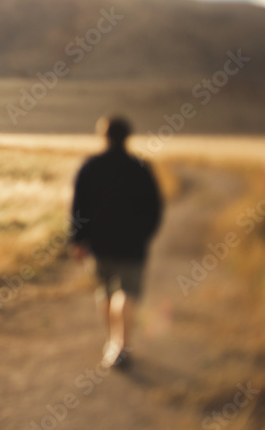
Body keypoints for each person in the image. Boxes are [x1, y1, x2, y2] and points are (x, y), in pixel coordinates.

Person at [70, 116, 163, 371]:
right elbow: (154, 208)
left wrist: (79, 240)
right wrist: (145, 234)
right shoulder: (141, 167)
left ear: (104, 137)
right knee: (127, 294)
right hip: (133, 245)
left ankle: (112, 341)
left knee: (106, 292)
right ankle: (123, 345)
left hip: (100, 244)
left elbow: (79, 207)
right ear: (127, 137)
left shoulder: (90, 167)